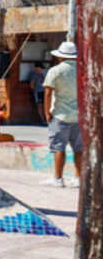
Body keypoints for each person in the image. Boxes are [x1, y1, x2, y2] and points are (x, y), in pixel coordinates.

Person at [42, 41, 81, 188]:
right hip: (79, 116)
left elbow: (47, 92)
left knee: (59, 148)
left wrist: (47, 113)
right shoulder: (82, 70)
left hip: (60, 115)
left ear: (60, 57)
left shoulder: (55, 71)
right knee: (79, 149)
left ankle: (58, 179)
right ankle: (78, 179)